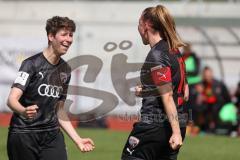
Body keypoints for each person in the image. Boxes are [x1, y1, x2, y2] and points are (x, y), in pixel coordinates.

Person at [7, 16, 94, 160]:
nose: (69, 39)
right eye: (64, 34)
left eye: (71, 35)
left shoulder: (65, 70)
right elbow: (11, 100)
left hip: (51, 135)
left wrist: (78, 139)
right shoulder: (31, 64)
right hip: (23, 134)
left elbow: (59, 110)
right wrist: (23, 111)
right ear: (51, 36)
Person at [121, 5, 189, 160]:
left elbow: (167, 95)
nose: (138, 29)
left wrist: (176, 133)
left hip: (155, 126)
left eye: (138, 24)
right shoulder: (175, 52)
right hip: (175, 124)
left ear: (146, 26)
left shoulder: (157, 54)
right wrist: (146, 91)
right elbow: (184, 92)